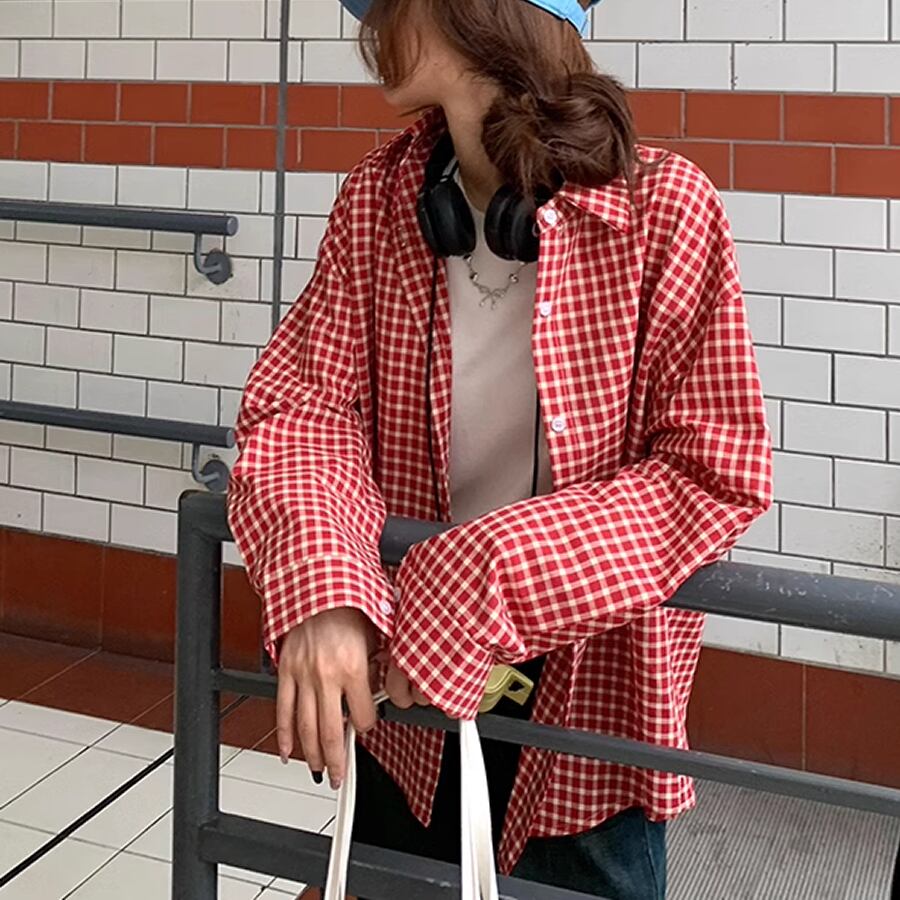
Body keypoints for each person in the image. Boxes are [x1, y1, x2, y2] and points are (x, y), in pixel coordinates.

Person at [227, 0, 774, 896]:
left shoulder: (664, 209)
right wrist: (324, 589)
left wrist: (483, 574)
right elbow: (303, 408)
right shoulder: (379, 197)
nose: (372, 27)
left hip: (587, 705)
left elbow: (712, 470)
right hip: (406, 691)